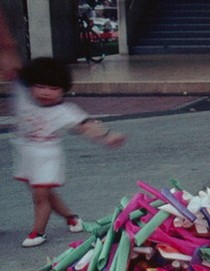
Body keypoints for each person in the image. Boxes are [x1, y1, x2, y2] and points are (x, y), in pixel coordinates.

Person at [9, 57, 125, 247]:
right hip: (26, 154)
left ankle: (38, 232)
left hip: (46, 157)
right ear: (30, 85)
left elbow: (86, 126)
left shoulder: (65, 111)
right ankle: (71, 218)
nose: (46, 92)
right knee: (46, 194)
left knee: (40, 197)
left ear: (64, 90)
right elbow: (11, 65)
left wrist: (107, 137)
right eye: (40, 86)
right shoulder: (23, 96)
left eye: (54, 89)